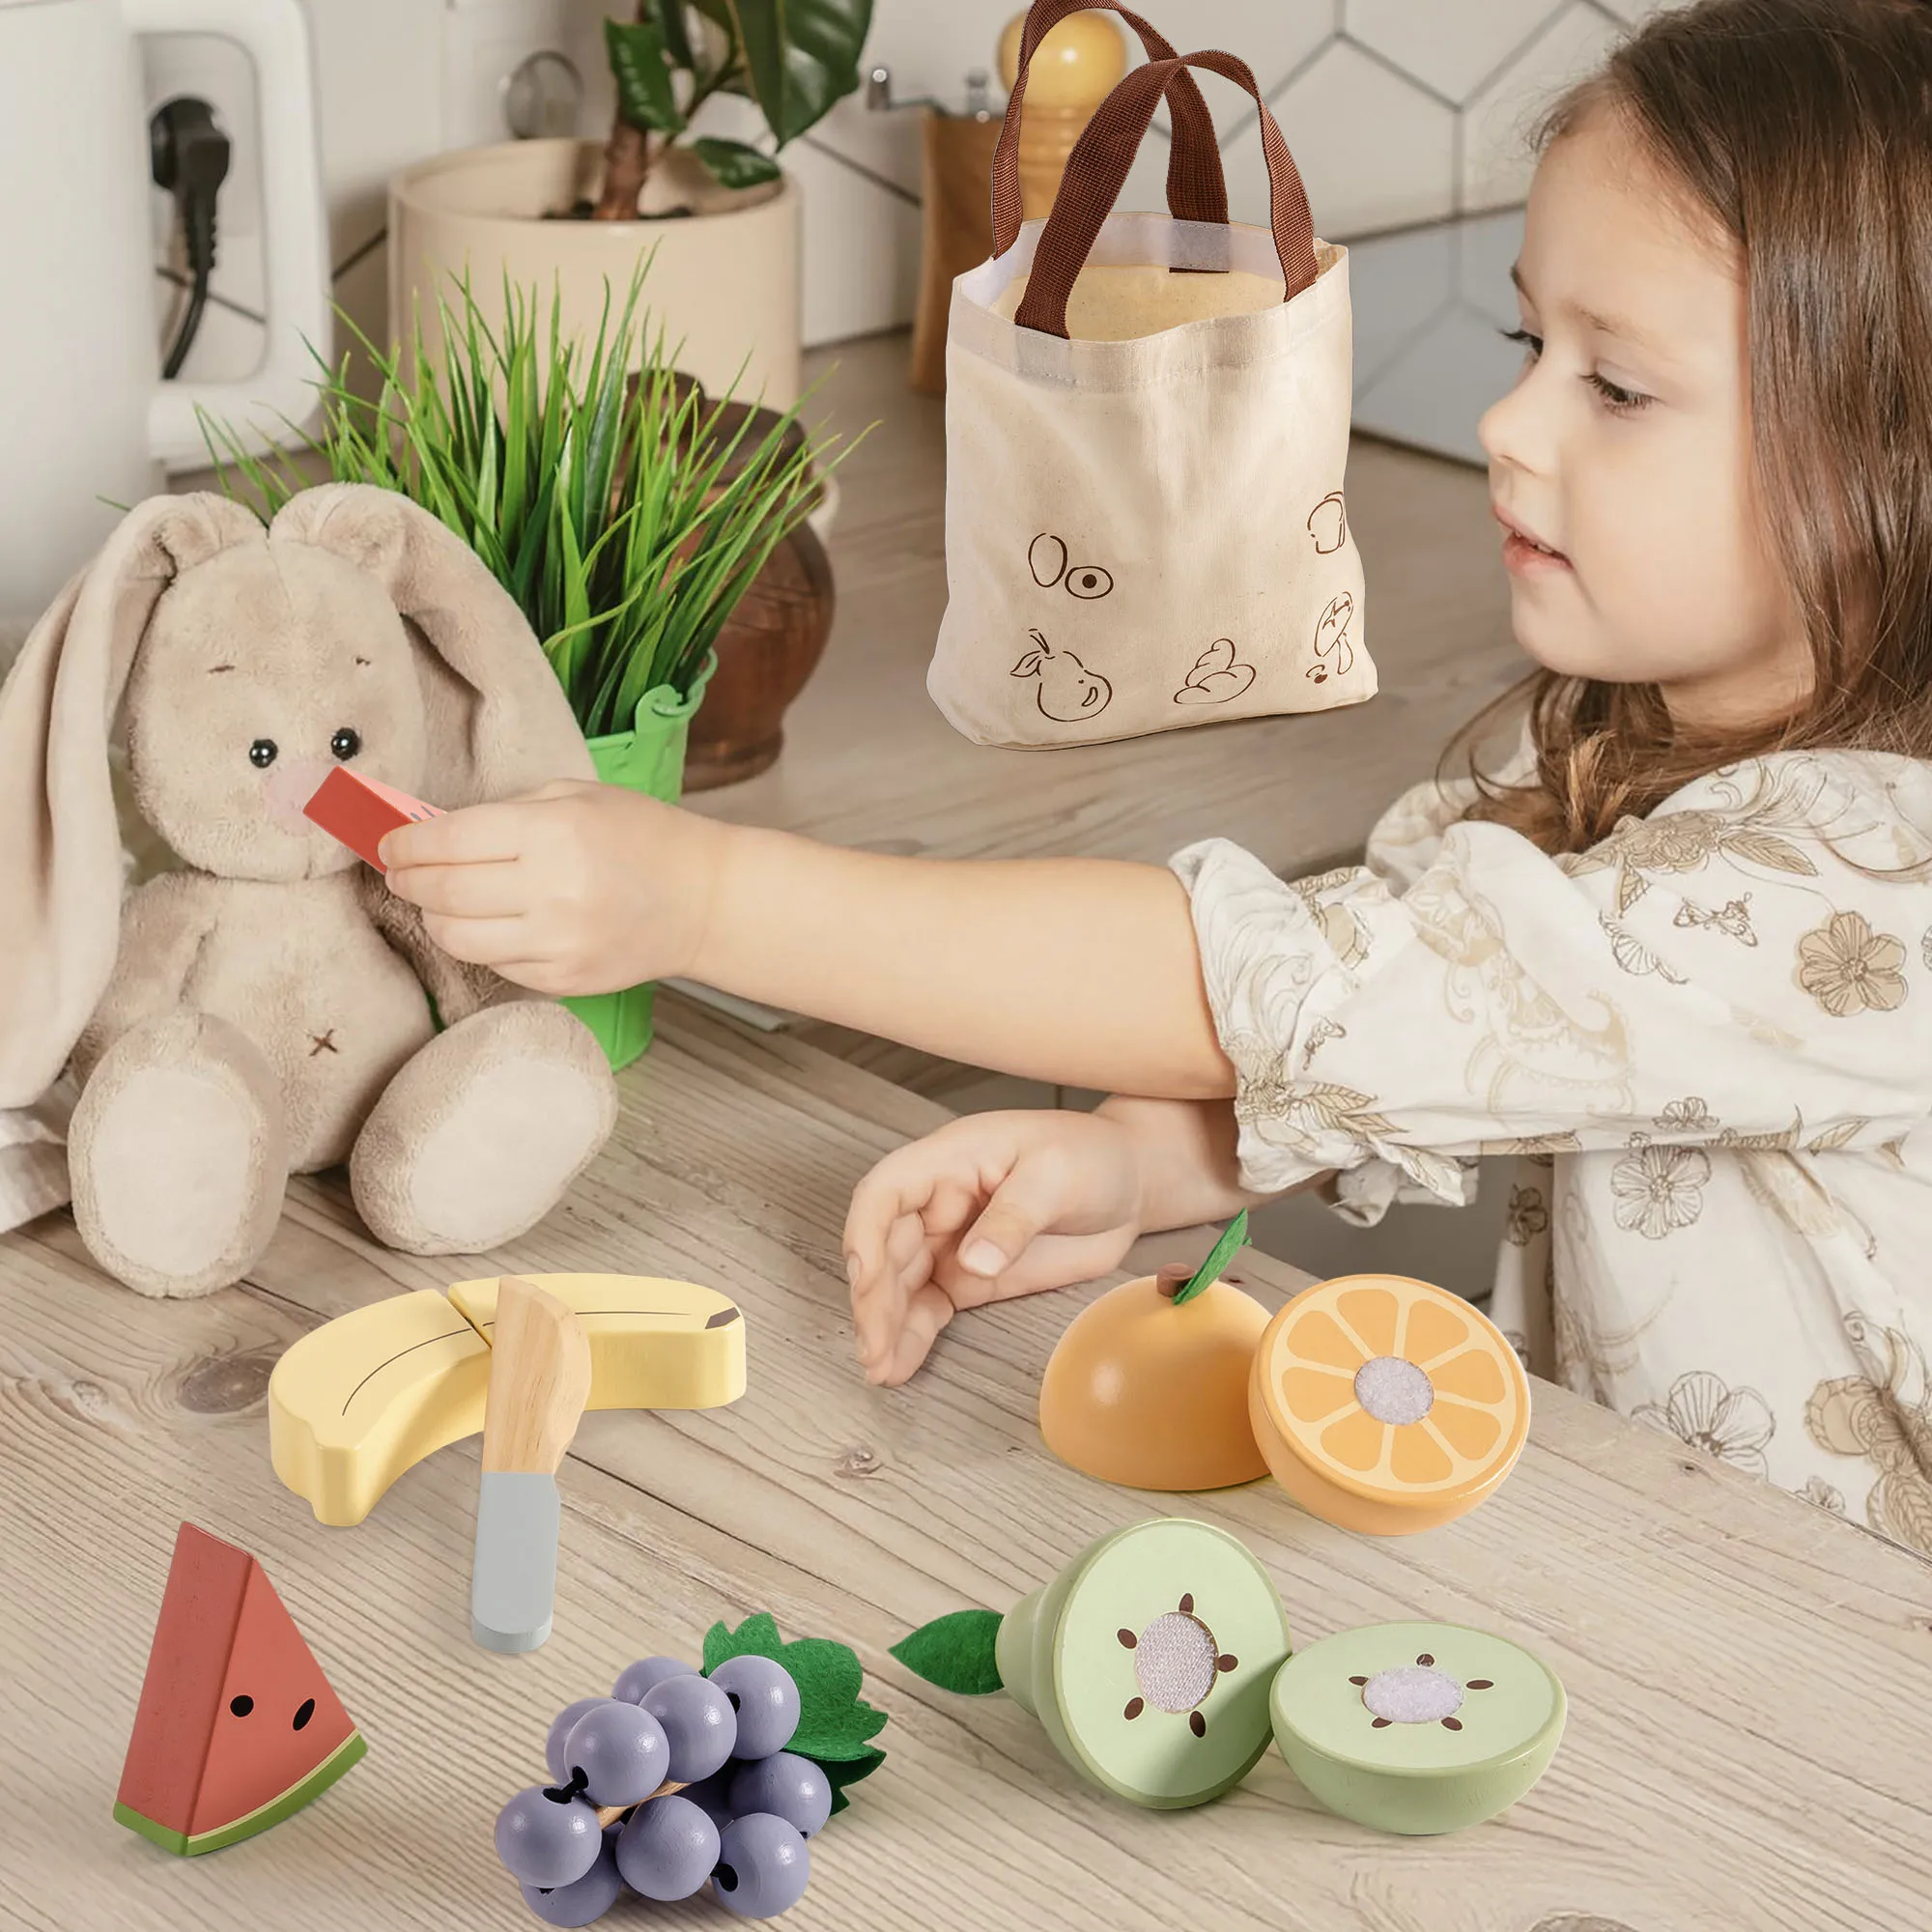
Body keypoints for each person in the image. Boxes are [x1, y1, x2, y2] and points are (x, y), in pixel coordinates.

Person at [384, 0, 1932, 1552]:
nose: (1505, 421)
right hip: (1680, 1586)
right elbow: (1416, 1023)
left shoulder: (1870, 882)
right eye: (1531, 345)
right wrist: (1143, 1161)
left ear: (1893, 462)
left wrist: (700, 894)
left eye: (1619, 388)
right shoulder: (1618, 733)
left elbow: (1278, 988)